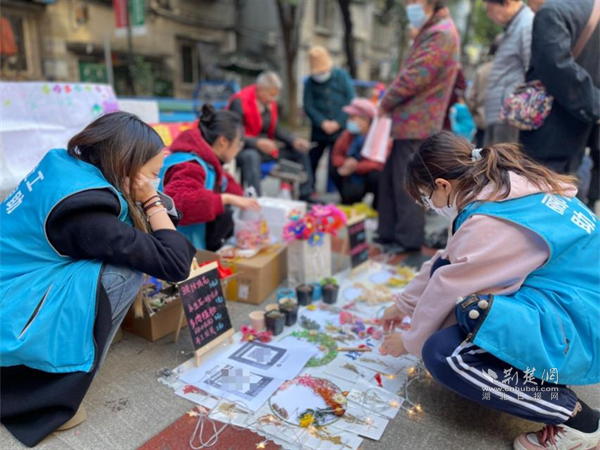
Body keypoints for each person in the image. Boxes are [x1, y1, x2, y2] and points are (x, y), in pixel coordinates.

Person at [380, 131, 600, 450]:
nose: (430, 206)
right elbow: (449, 260)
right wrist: (402, 305)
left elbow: (450, 285)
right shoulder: (503, 186)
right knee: (464, 316)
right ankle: (537, 381)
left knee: (447, 354)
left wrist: (411, 341)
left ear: (443, 185)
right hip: (577, 307)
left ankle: (581, 420)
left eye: (427, 198)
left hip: (582, 326)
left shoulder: (489, 221)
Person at [0, 112, 196, 447]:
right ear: (126, 167)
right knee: (123, 274)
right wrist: (150, 201)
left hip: (15, 278)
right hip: (10, 310)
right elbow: (176, 263)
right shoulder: (85, 213)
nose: (156, 183)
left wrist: (149, 198)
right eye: (152, 175)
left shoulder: (68, 168)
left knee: (113, 265)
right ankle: (58, 386)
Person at [377, 0, 460, 253]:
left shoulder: (441, 33)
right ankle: (389, 234)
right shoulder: (434, 30)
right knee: (392, 180)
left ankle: (407, 241)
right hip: (411, 121)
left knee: (407, 184)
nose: (408, 5)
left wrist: (386, 101)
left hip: (418, 122)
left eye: (413, 0)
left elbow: (415, 76)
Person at [160, 104, 260, 251]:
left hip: (187, 243)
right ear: (223, 141)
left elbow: (226, 183)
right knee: (225, 215)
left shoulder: (207, 162)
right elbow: (180, 204)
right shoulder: (190, 165)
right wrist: (226, 199)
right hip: (176, 249)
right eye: (238, 144)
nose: (238, 149)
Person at [520, 0, 600, 175]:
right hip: (581, 131)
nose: (528, 6)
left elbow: (555, 67)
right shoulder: (593, 9)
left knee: (537, 182)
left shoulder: (552, 12)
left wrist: (596, 105)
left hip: (549, 130)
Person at [228, 71, 313, 199]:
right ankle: (256, 199)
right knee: (251, 156)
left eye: (276, 95)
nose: (273, 99)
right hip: (243, 149)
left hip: (266, 149)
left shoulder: (270, 104)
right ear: (260, 89)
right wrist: (257, 142)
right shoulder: (239, 102)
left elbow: (276, 129)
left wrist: (294, 140)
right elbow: (235, 135)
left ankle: (306, 193)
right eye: (271, 95)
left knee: (299, 151)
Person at [303, 45, 355, 190]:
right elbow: (308, 105)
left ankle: (336, 191)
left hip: (339, 130)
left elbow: (350, 99)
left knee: (335, 162)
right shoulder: (310, 82)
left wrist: (338, 122)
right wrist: (322, 122)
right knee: (312, 160)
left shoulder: (342, 77)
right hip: (319, 130)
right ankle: (309, 189)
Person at [482, 0, 533, 146]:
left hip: (509, 114)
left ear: (507, 3)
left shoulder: (526, 24)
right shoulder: (514, 25)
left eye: (490, 8)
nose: (488, 14)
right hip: (499, 113)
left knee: (501, 158)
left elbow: (530, 69)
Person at [331, 98, 389, 208]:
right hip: (351, 171)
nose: (349, 121)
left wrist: (356, 166)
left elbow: (378, 163)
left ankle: (378, 205)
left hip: (366, 173)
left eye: (353, 118)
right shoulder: (347, 134)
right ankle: (348, 199)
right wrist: (346, 163)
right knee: (334, 169)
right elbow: (336, 156)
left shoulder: (379, 136)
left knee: (377, 176)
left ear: (365, 120)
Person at [467, 37, 499, 147]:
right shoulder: (513, 72)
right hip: (503, 124)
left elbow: (471, 98)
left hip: (482, 120)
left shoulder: (482, 70)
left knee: (481, 153)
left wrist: (476, 114)